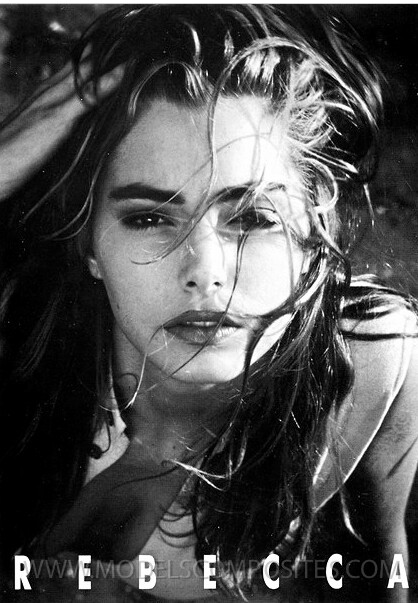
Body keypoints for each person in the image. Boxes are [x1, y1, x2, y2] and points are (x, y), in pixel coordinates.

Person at [0, 5, 416, 602]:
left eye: (252, 217)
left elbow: (376, 572)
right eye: (149, 218)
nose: (205, 273)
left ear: (314, 230)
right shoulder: (16, 329)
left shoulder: (375, 360)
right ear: (90, 245)